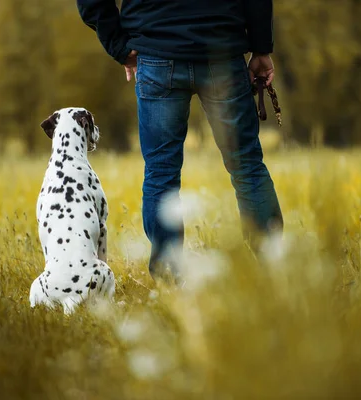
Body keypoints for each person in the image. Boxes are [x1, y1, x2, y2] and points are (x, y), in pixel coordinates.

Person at [77, 0, 284, 281]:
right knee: (247, 165)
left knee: (161, 172)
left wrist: (118, 44)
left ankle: (167, 278)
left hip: (156, 51)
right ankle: (272, 269)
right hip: (221, 51)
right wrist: (261, 47)